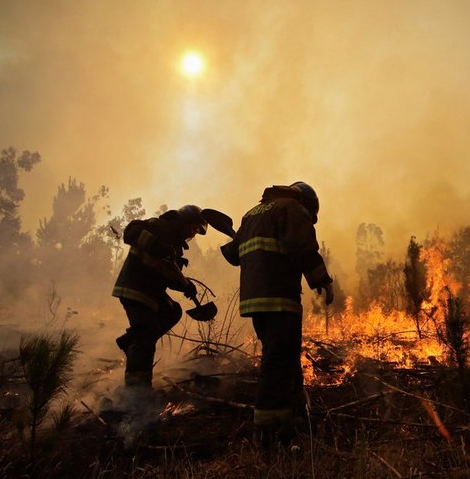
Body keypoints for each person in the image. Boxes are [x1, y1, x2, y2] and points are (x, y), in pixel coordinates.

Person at [220, 181, 334, 450]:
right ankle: (267, 432)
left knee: (284, 355)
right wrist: (321, 278)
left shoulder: (252, 214)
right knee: (276, 362)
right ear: (307, 203)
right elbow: (302, 247)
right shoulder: (292, 208)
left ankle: (294, 416)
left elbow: (232, 254)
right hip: (279, 297)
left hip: (254, 301)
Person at [112, 205, 207, 391]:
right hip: (136, 288)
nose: (193, 234)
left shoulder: (172, 243)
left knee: (173, 311)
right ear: (183, 222)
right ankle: (136, 390)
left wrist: (185, 284)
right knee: (145, 335)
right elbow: (130, 231)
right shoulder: (159, 227)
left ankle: (128, 340)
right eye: (193, 228)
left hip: (151, 292)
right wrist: (155, 245)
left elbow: (167, 272)